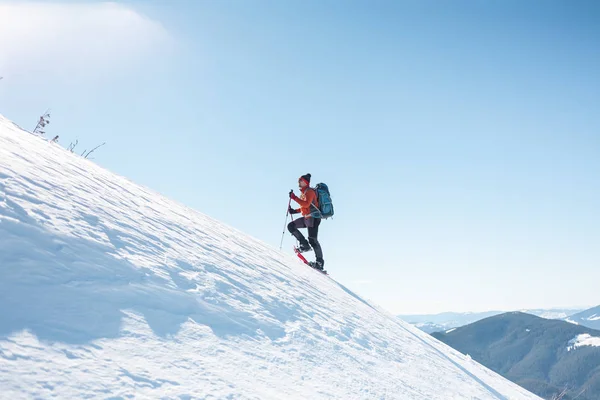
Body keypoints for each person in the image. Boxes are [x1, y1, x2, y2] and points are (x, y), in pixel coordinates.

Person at [288, 173, 325, 270]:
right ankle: (304, 245)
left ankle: (319, 263)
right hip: (307, 218)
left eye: (301, 181)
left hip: (313, 218)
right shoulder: (304, 193)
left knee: (313, 240)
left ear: (306, 182)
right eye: (299, 180)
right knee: (291, 226)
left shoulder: (310, 192)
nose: (299, 182)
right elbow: (304, 207)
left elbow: (306, 204)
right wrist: (294, 211)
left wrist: (294, 198)